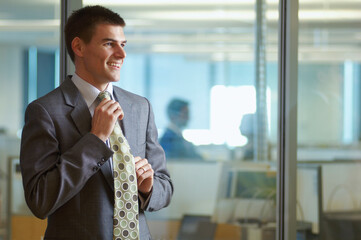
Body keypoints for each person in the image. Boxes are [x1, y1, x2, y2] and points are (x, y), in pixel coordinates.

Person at [20, 5, 173, 240]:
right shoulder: (44, 111)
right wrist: (95, 139)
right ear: (79, 47)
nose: (121, 55)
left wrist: (148, 187)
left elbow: (165, 187)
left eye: (123, 45)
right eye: (109, 44)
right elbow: (40, 200)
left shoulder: (140, 107)